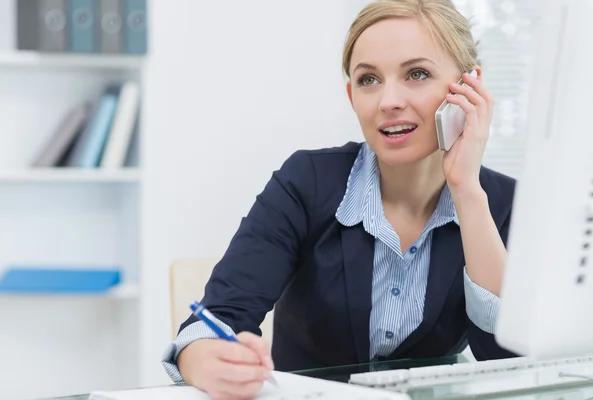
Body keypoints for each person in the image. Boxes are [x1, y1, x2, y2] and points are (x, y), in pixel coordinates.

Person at [162, 0, 517, 398]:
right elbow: (214, 323)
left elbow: (512, 363)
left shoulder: (502, 203)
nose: (388, 101)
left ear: (469, 87)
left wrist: (467, 191)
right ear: (352, 96)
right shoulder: (306, 182)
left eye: (417, 74)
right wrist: (207, 360)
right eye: (369, 80)